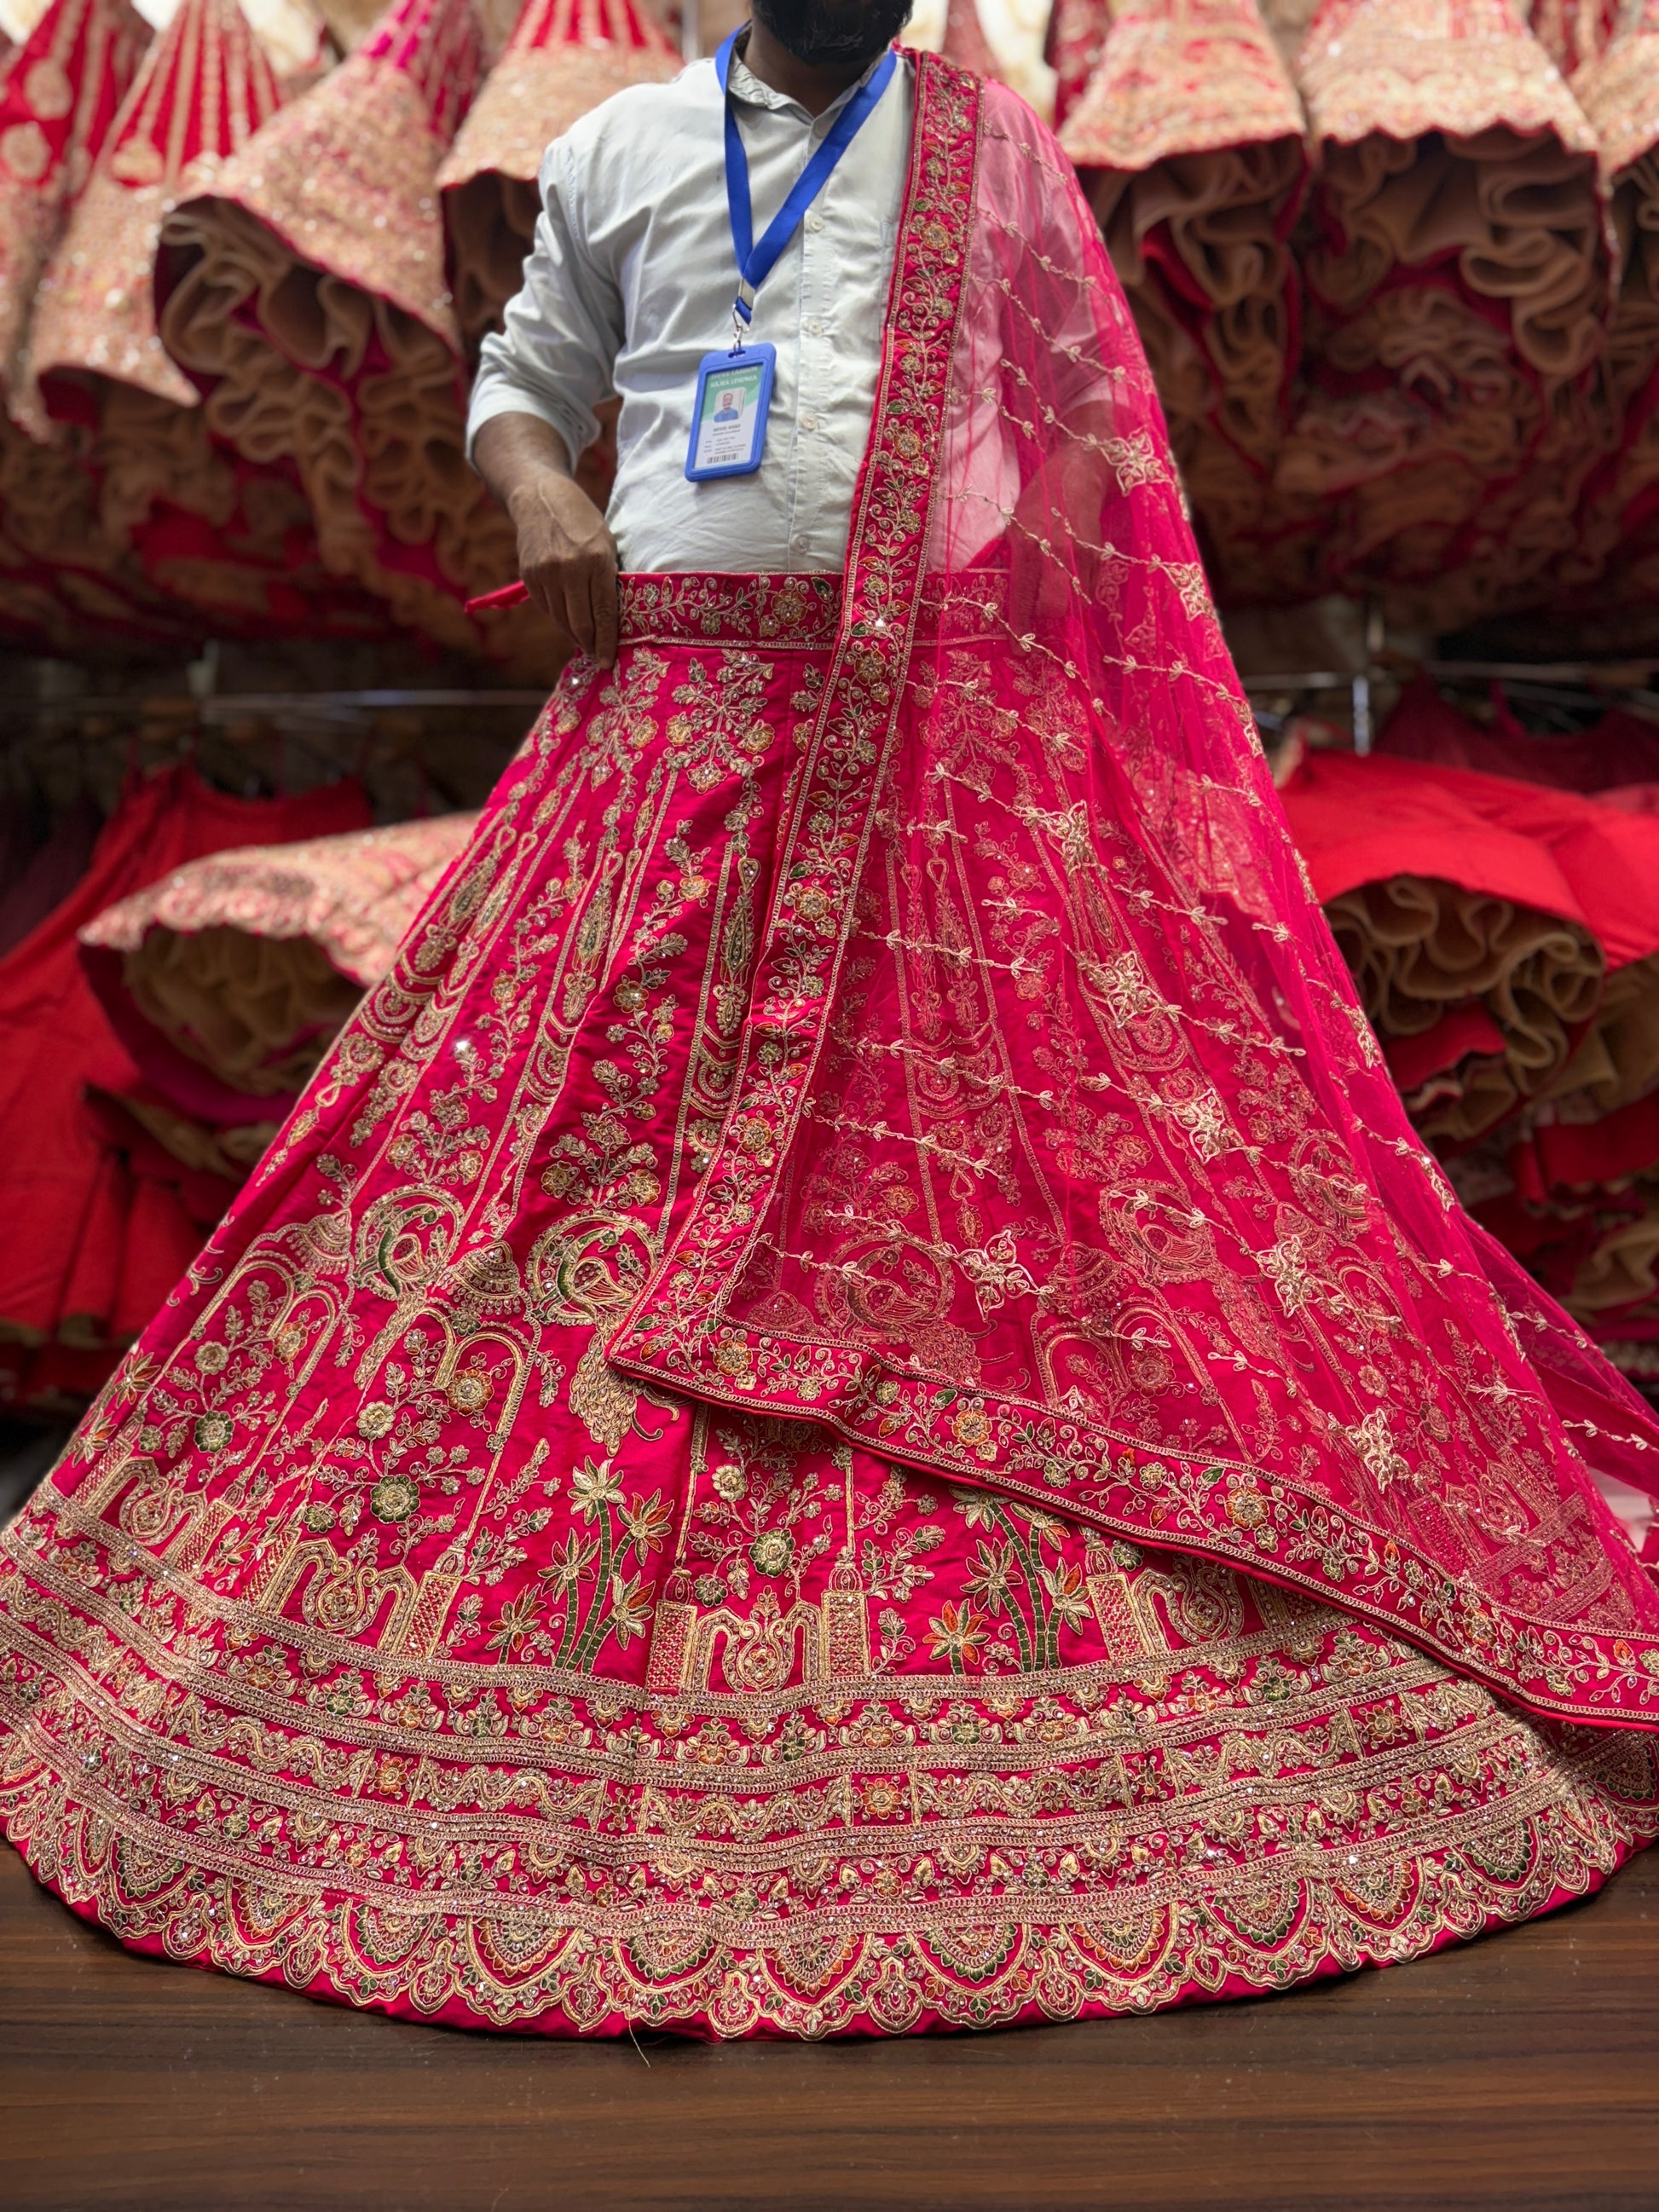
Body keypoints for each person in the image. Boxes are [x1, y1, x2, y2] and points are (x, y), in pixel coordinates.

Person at [2, 0, 1658, 2044]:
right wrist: (536, 495)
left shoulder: (989, 151)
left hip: (928, 766)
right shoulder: (618, 151)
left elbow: (1083, 435)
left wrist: (1009, 660)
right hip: (655, 738)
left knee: (1015, 1217)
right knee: (529, 1181)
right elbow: (522, 383)